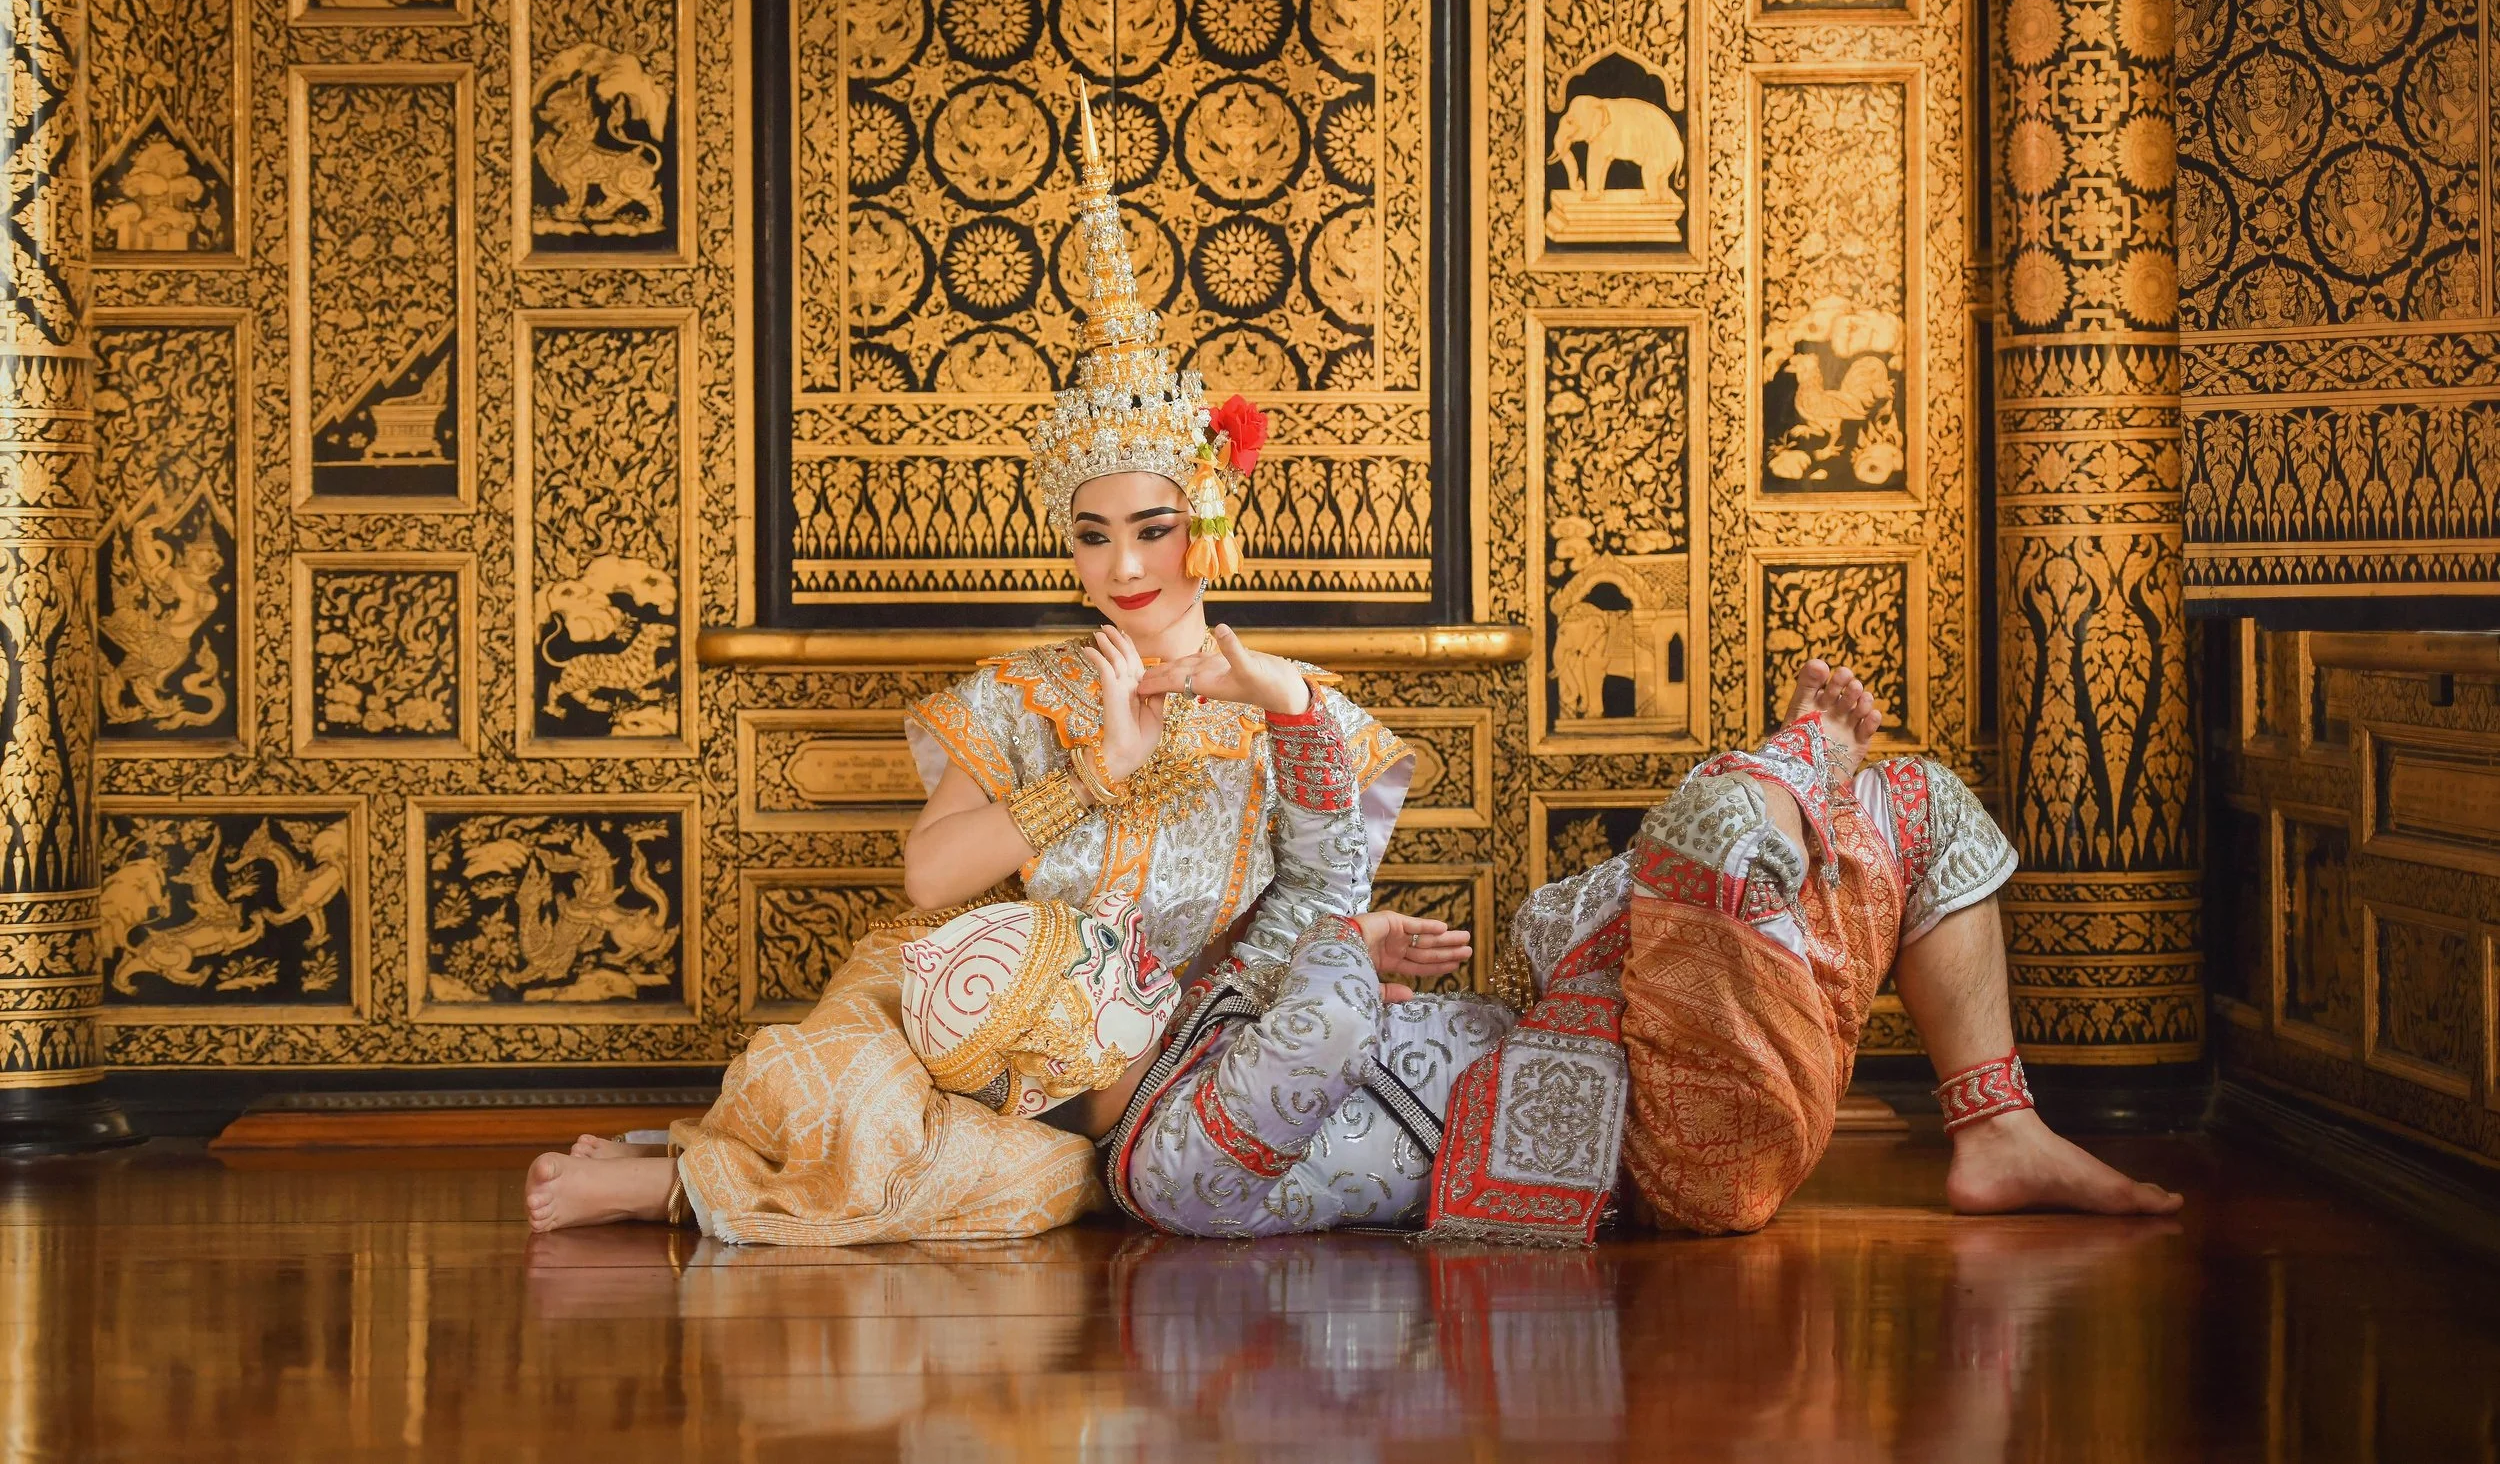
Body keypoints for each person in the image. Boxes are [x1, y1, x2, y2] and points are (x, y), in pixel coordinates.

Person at [523, 90, 1468, 1237]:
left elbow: (1302, 908)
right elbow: (929, 883)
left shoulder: (1295, 708)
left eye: (1152, 527)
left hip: (1137, 1057)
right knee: (869, 1096)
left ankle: (680, 1181)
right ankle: (689, 1175)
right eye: (1091, 532)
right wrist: (1096, 768)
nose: (1122, 563)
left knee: (1025, 1188)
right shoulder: (1023, 692)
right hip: (965, 1003)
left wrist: (1347, 934)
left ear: (1206, 519)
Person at [1097, 662, 2179, 1243]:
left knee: (1917, 802)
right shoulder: (1162, 1164)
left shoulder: (1193, 1027)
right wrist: (1355, 940)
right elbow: (1327, 1012)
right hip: (1654, 1159)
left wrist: (1281, 693)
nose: (1118, 960)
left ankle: (1998, 1130)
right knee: (1711, 830)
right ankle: (1788, 765)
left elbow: (1321, 882)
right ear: (1052, 1063)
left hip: (1634, 1049)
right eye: (1084, 979)